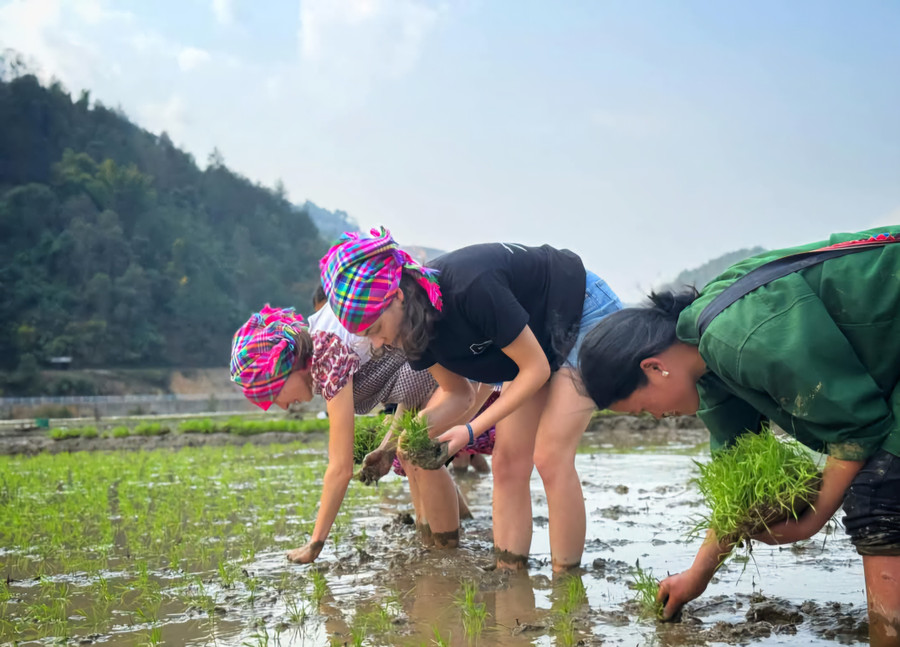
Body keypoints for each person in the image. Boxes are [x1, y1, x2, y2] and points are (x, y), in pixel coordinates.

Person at [577, 227, 900, 647]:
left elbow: (858, 426)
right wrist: (696, 577)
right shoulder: (710, 376)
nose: (657, 417)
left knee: (878, 493)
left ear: (653, 368)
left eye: (643, 408)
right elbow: (738, 488)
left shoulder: (737, 338)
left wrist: (811, 520)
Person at [320, 228, 622, 571]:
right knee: (508, 462)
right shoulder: (414, 333)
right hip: (537, 339)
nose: (376, 343)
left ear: (397, 297)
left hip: (581, 311)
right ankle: (511, 573)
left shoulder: (469, 286)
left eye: (375, 329)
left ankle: (567, 588)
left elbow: (534, 369)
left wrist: (470, 430)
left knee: (550, 455)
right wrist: (403, 440)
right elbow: (458, 393)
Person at [230, 304, 481, 562]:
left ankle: (447, 558)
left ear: (288, 367)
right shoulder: (321, 350)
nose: (281, 406)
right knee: (408, 454)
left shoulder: (326, 355)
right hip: (444, 364)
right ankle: (449, 538)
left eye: (274, 394)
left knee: (418, 452)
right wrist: (386, 448)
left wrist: (315, 543)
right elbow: (414, 381)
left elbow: (340, 468)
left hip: (462, 355)